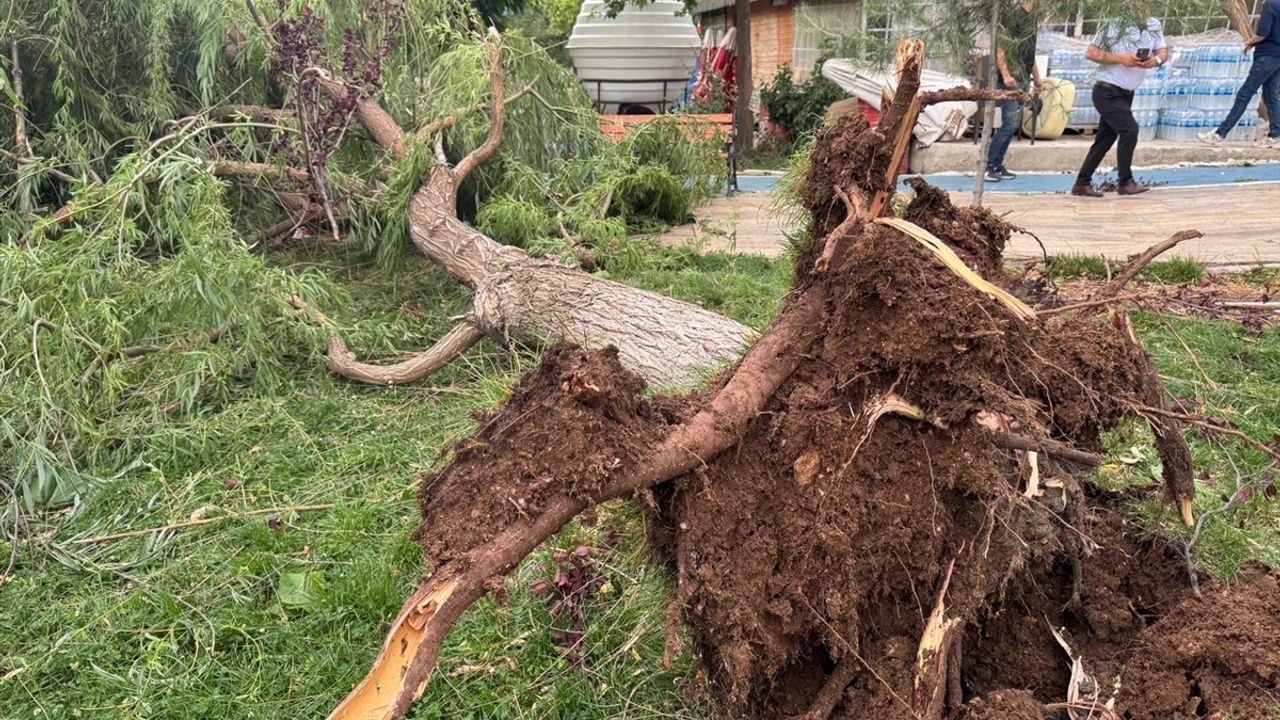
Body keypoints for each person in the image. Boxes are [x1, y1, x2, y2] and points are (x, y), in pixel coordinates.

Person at [1071, 3, 1167, 197]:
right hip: (1107, 91)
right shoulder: (1113, 24)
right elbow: (1091, 52)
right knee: (1129, 130)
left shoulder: (1154, 25)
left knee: (1105, 139)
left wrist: (1154, 61)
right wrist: (1120, 58)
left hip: (1126, 93)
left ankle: (1081, 183)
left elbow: (1163, 52)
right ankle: (1125, 181)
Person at [1197, 0, 1280, 147]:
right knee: (1270, 96)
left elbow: (1262, 33)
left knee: (1244, 94)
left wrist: (1249, 42)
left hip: (1266, 56)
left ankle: (1220, 133)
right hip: (1277, 57)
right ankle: (1275, 134)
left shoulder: (1270, 5)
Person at [984, 0, 1043, 183]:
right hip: (1011, 79)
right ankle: (989, 166)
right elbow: (1001, 48)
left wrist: (1037, 77)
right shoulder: (1014, 17)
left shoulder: (1033, 20)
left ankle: (997, 164)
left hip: (1024, 77)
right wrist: (1006, 75)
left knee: (1014, 124)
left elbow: (1029, 53)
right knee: (1009, 124)